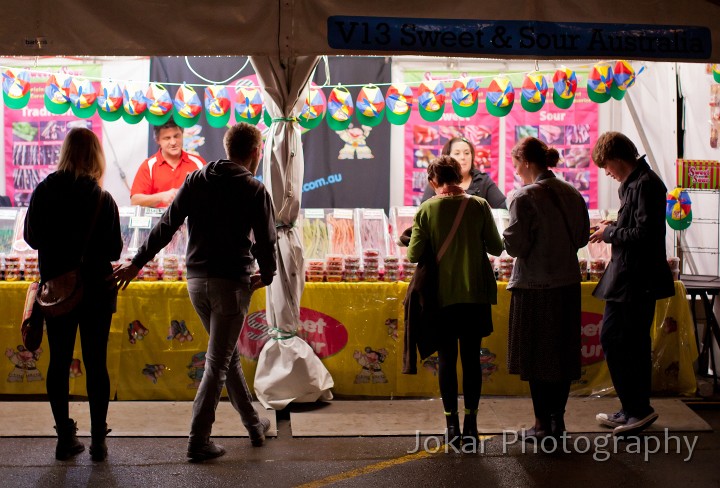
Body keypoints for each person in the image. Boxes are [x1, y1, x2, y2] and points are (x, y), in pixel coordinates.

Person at [113, 122, 276, 462]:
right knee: (218, 363)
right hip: (231, 285)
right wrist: (269, 275)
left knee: (226, 357)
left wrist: (136, 262)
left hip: (196, 283)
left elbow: (166, 225)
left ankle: (254, 425)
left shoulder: (197, 179)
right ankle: (198, 440)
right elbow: (266, 241)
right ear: (256, 152)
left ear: (228, 147)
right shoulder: (253, 189)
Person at [24, 128, 122, 462]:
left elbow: (31, 239)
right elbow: (114, 248)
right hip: (96, 289)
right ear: (96, 156)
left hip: (57, 292)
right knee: (96, 363)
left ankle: (65, 438)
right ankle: (98, 441)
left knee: (59, 361)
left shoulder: (45, 190)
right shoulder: (101, 198)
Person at [407, 155, 503, 448]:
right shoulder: (479, 205)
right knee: (472, 361)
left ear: (433, 181)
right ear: (460, 178)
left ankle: (451, 426)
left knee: (447, 361)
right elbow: (497, 248)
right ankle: (472, 425)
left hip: (441, 299)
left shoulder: (427, 209)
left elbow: (413, 255)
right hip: (474, 296)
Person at [503, 137, 590, 441]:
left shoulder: (523, 197)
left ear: (525, 161)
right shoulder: (572, 193)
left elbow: (515, 246)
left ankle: (541, 424)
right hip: (567, 285)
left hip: (535, 286)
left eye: (515, 163)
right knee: (562, 357)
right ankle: (558, 421)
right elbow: (581, 239)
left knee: (537, 357)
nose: (514, 169)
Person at [589, 132, 674, 436]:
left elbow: (644, 234)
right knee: (627, 342)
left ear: (615, 159)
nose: (607, 173)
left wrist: (610, 233)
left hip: (636, 280)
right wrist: (612, 227)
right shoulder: (636, 183)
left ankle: (637, 409)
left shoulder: (646, 184)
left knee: (619, 339)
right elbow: (638, 227)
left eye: (606, 167)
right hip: (629, 279)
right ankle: (632, 408)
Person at [130, 120, 207, 207]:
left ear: (182, 135)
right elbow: (135, 200)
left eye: (176, 136)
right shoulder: (149, 165)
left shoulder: (199, 163)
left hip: (192, 219)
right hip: (160, 220)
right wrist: (160, 197)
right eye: (167, 138)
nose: (173, 142)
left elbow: (212, 194)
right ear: (158, 140)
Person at [421, 137, 506, 209]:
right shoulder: (437, 179)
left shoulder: (482, 180)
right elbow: (423, 210)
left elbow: (503, 206)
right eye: (457, 153)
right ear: (446, 158)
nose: (463, 157)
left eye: (466, 153)